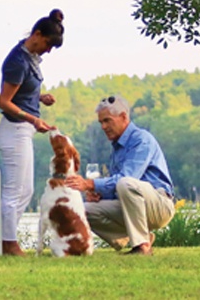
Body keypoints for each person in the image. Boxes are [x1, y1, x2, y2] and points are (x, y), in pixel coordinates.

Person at [64, 94, 175, 255]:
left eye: (107, 121)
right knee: (81, 209)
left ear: (123, 117)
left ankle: (142, 246)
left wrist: (90, 184)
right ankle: (137, 237)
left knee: (125, 182)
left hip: (160, 204)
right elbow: (121, 190)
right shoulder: (117, 147)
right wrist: (100, 195)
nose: (103, 127)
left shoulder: (142, 140)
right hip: (134, 205)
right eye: (101, 122)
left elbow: (127, 179)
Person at [0, 9, 63, 256]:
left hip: (22, 131)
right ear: (37, 34)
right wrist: (33, 118)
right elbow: (4, 102)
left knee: (26, 191)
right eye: (48, 44)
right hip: (14, 130)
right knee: (14, 190)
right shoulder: (17, 61)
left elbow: (21, 92)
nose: (48, 50)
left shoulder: (30, 58)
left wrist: (39, 97)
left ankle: (5, 237)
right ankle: (8, 243)